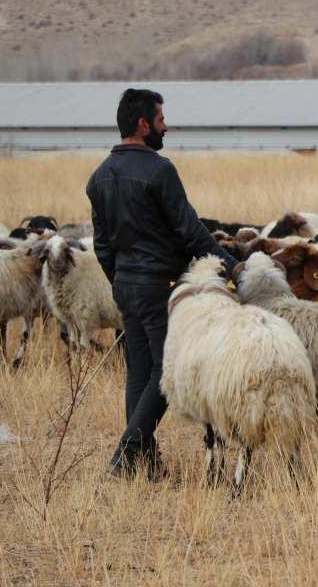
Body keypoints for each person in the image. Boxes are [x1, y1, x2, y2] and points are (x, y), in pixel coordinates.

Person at [86, 88, 239, 480]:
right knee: (167, 373)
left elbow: (102, 244)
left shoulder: (99, 177)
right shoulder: (159, 170)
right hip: (159, 285)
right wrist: (232, 266)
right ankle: (127, 452)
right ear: (143, 124)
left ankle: (144, 463)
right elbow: (189, 230)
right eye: (160, 120)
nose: (165, 127)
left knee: (139, 372)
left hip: (126, 285)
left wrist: (120, 279)